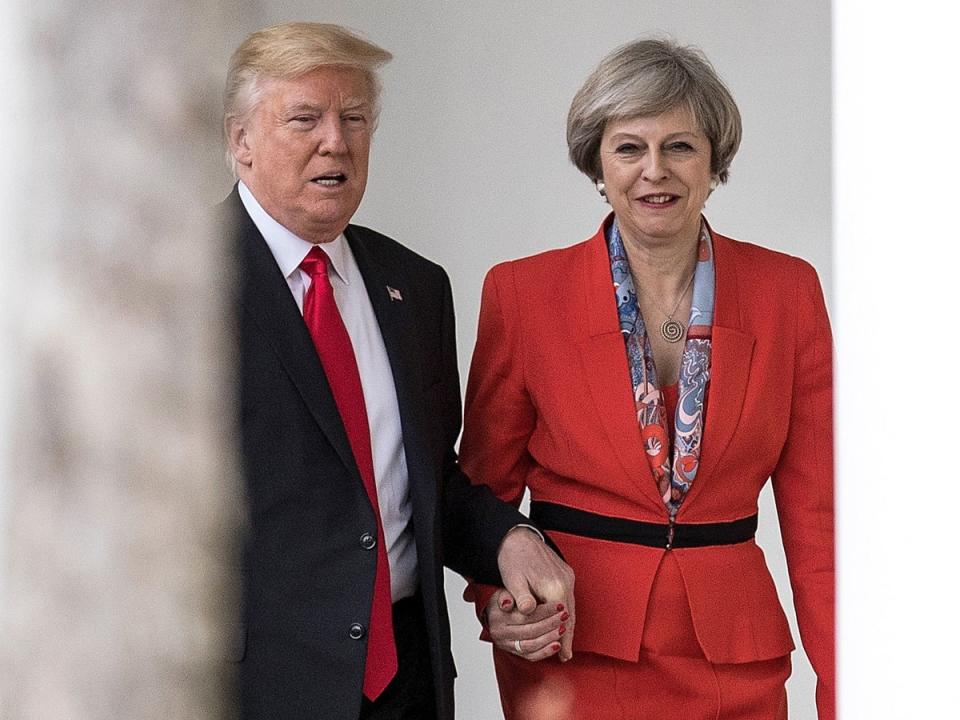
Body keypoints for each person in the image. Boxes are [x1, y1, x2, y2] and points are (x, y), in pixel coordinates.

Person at [460, 38, 833, 719]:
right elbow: (480, 492)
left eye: (680, 147)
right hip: (575, 653)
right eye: (629, 148)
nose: (654, 171)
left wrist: (850, 691)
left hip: (735, 662)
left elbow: (821, 525)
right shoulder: (521, 294)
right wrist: (497, 603)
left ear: (714, 159)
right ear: (597, 164)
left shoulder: (789, 292)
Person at [221, 22, 574, 720]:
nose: (336, 141)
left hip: (405, 685)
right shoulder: (185, 288)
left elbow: (426, 482)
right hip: (257, 691)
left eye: (354, 118)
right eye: (305, 119)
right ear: (241, 141)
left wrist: (511, 538)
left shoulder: (413, 286)